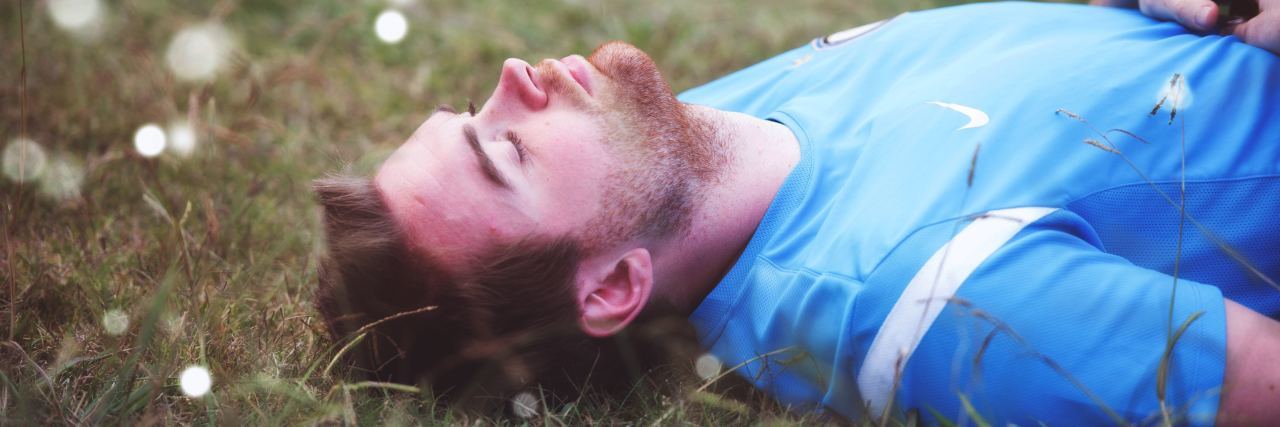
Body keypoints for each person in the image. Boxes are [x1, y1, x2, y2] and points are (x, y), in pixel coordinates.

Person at [312, 1, 1280, 424]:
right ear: (611, 283)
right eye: (504, 151)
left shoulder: (703, 141)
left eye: (469, 114)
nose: (511, 77)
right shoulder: (922, 297)